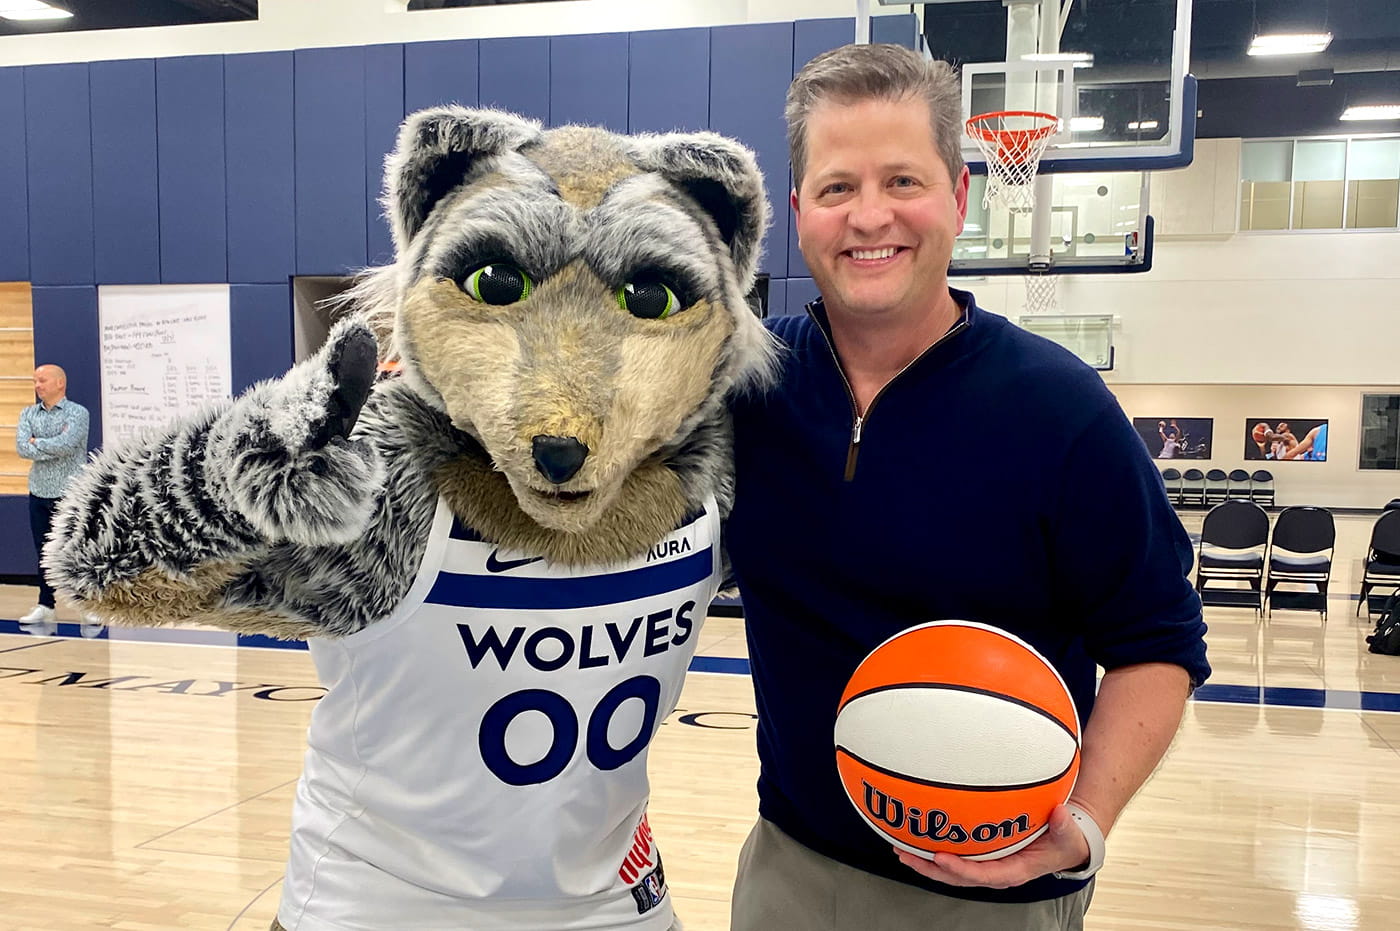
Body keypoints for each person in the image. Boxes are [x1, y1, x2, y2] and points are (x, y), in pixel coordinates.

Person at [724, 43, 1210, 931]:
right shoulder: (746, 384)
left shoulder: (1060, 407)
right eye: (837, 188)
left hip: (995, 893)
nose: (870, 217)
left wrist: (1085, 826)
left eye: (902, 180)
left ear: (961, 194)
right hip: (789, 866)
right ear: (798, 212)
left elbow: (1160, 643)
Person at [15, 364, 101, 638]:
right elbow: (21, 447)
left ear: (60, 383)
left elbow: (68, 445)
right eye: (35, 381)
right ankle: (45, 605)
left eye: (42, 380)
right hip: (39, 491)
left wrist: (37, 442)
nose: (37, 385)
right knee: (43, 551)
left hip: (70, 493)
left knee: (75, 551)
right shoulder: (28, 413)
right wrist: (44, 443)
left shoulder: (78, 413)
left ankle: (86, 606)